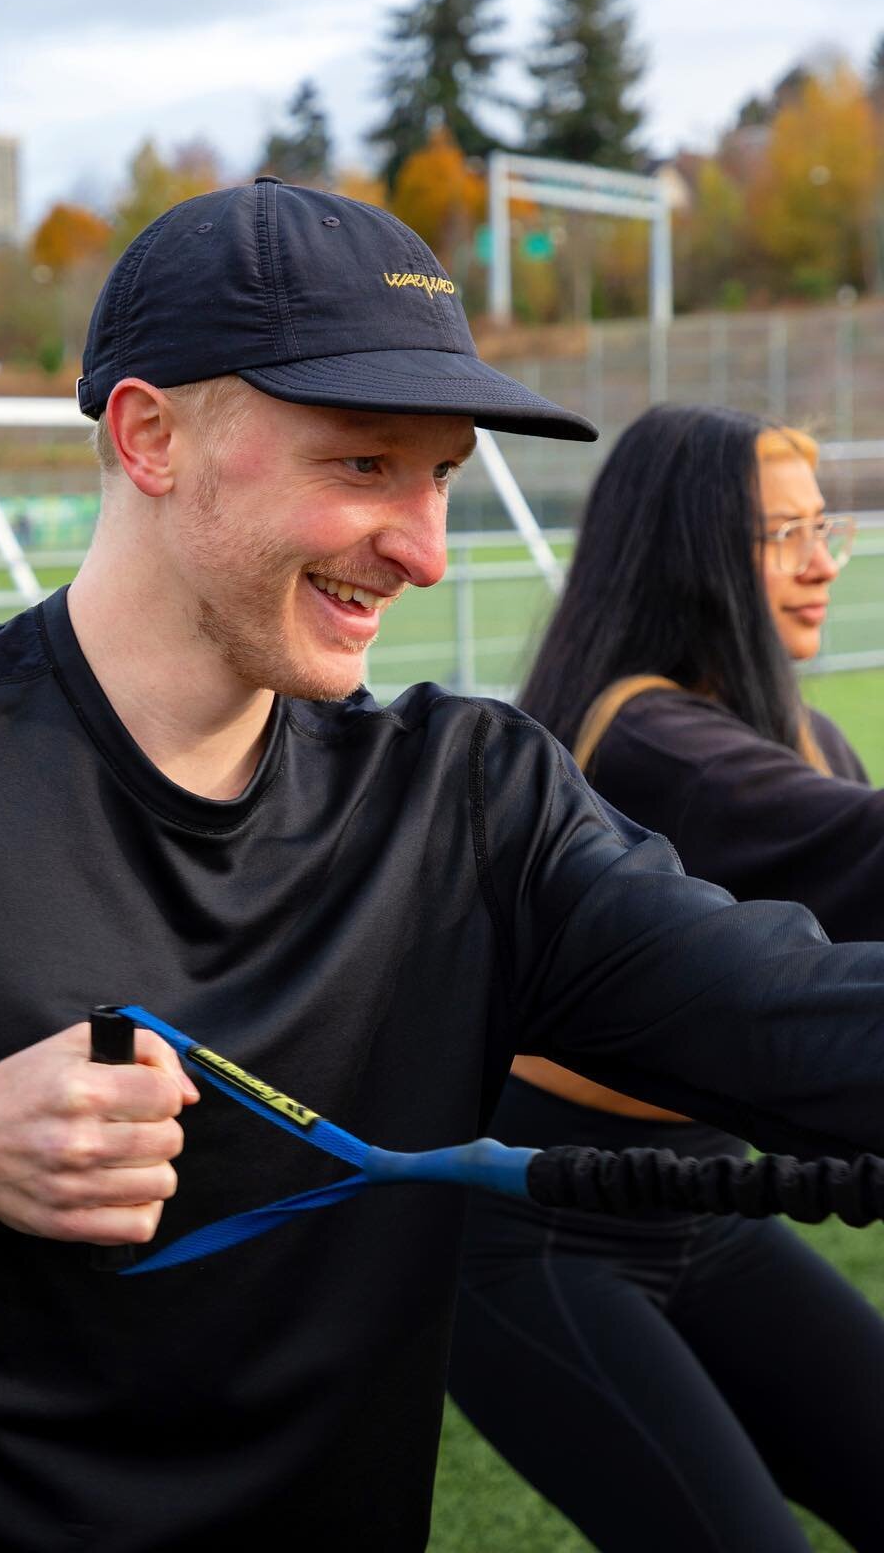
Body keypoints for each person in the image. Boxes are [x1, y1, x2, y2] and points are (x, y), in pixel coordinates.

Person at [0, 181, 884, 1553]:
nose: (424, 550)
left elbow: (788, 1012)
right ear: (150, 437)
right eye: (363, 464)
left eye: (443, 475)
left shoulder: (470, 800)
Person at [449, 403, 884, 1553]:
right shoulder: (647, 740)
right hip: (542, 1232)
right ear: (692, 551)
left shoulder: (805, 733)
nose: (819, 561)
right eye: (777, 535)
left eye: (821, 527)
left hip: (705, 1202)